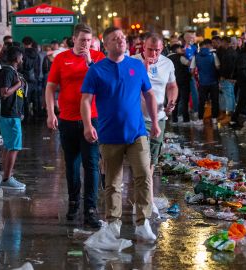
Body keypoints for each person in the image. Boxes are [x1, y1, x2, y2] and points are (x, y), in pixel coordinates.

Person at [81, 26, 160, 241]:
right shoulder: (96, 70)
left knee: (144, 175)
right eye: (116, 39)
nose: (121, 41)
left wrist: (154, 122)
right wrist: (88, 125)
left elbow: (149, 94)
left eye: (123, 38)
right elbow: (86, 100)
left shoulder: (136, 65)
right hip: (109, 136)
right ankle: (113, 223)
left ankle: (143, 223)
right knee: (112, 182)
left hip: (137, 133)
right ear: (106, 45)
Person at [45, 23, 105, 228]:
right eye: (82, 40)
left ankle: (90, 208)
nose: (86, 44)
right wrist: (51, 112)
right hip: (67, 119)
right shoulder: (61, 58)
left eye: (89, 41)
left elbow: (105, 83)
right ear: (74, 39)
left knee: (91, 164)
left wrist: (89, 62)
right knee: (71, 165)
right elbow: (50, 87)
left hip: (93, 119)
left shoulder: (98, 58)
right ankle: (73, 202)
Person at [133, 34, 178, 217]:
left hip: (159, 117)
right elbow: (131, 85)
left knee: (151, 161)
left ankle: (145, 199)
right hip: (137, 117)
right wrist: (146, 67)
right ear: (143, 47)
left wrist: (172, 101)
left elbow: (172, 86)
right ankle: (146, 201)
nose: (153, 53)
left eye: (157, 50)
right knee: (141, 162)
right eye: (150, 49)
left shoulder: (167, 63)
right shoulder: (132, 61)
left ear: (162, 48)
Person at [0, 46, 27, 190]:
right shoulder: (7, 72)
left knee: (9, 146)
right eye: (21, 57)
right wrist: (18, 84)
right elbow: (4, 93)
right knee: (14, 147)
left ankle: (6, 176)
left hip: (13, 114)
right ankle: (7, 179)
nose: (22, 59)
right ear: (16, 58)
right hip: (9, 115)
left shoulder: (12, 71)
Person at [191, 39, 220, 124]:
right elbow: (218, 67)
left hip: (202, 82)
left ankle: (200, 119)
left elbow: (192, 70)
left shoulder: (195, 56)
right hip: (213, 81)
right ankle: (214, 118)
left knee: (202, 101)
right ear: (209, 46)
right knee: (215, 100)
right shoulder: (213, 55)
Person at [168, 44, 192, 123]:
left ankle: (174, 118)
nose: (181, 50)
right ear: (176, 49)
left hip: (173, 82)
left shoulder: (167, 58)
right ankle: (186, 119)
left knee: (174, 100)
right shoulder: (180, 57)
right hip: (183, 81)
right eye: (180, 48)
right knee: (185, 100)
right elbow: (189, 64)